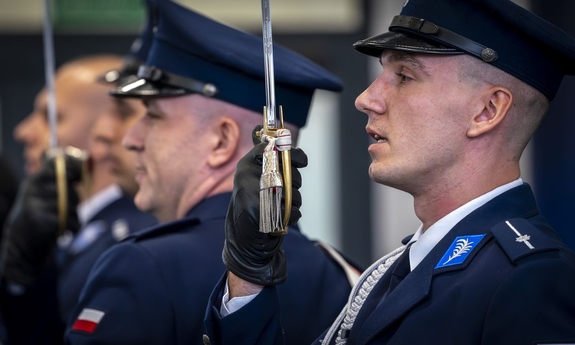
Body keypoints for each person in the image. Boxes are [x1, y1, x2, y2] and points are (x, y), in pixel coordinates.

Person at [203, 0, 575, 344]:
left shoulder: (532, 279)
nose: (366, 99)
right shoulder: (397, 269)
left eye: (404, 76)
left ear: (487, 111)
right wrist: (249, 271)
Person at [64, 1, 361, 344]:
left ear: (221, 140)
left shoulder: (144, 266)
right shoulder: (338, 271)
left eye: (154, 117)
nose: (131, 140)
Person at [0, 55, 156, 345]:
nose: (22, 132)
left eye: (52, 117)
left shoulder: (127, 240)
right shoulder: (82, 231)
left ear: (105, 128)